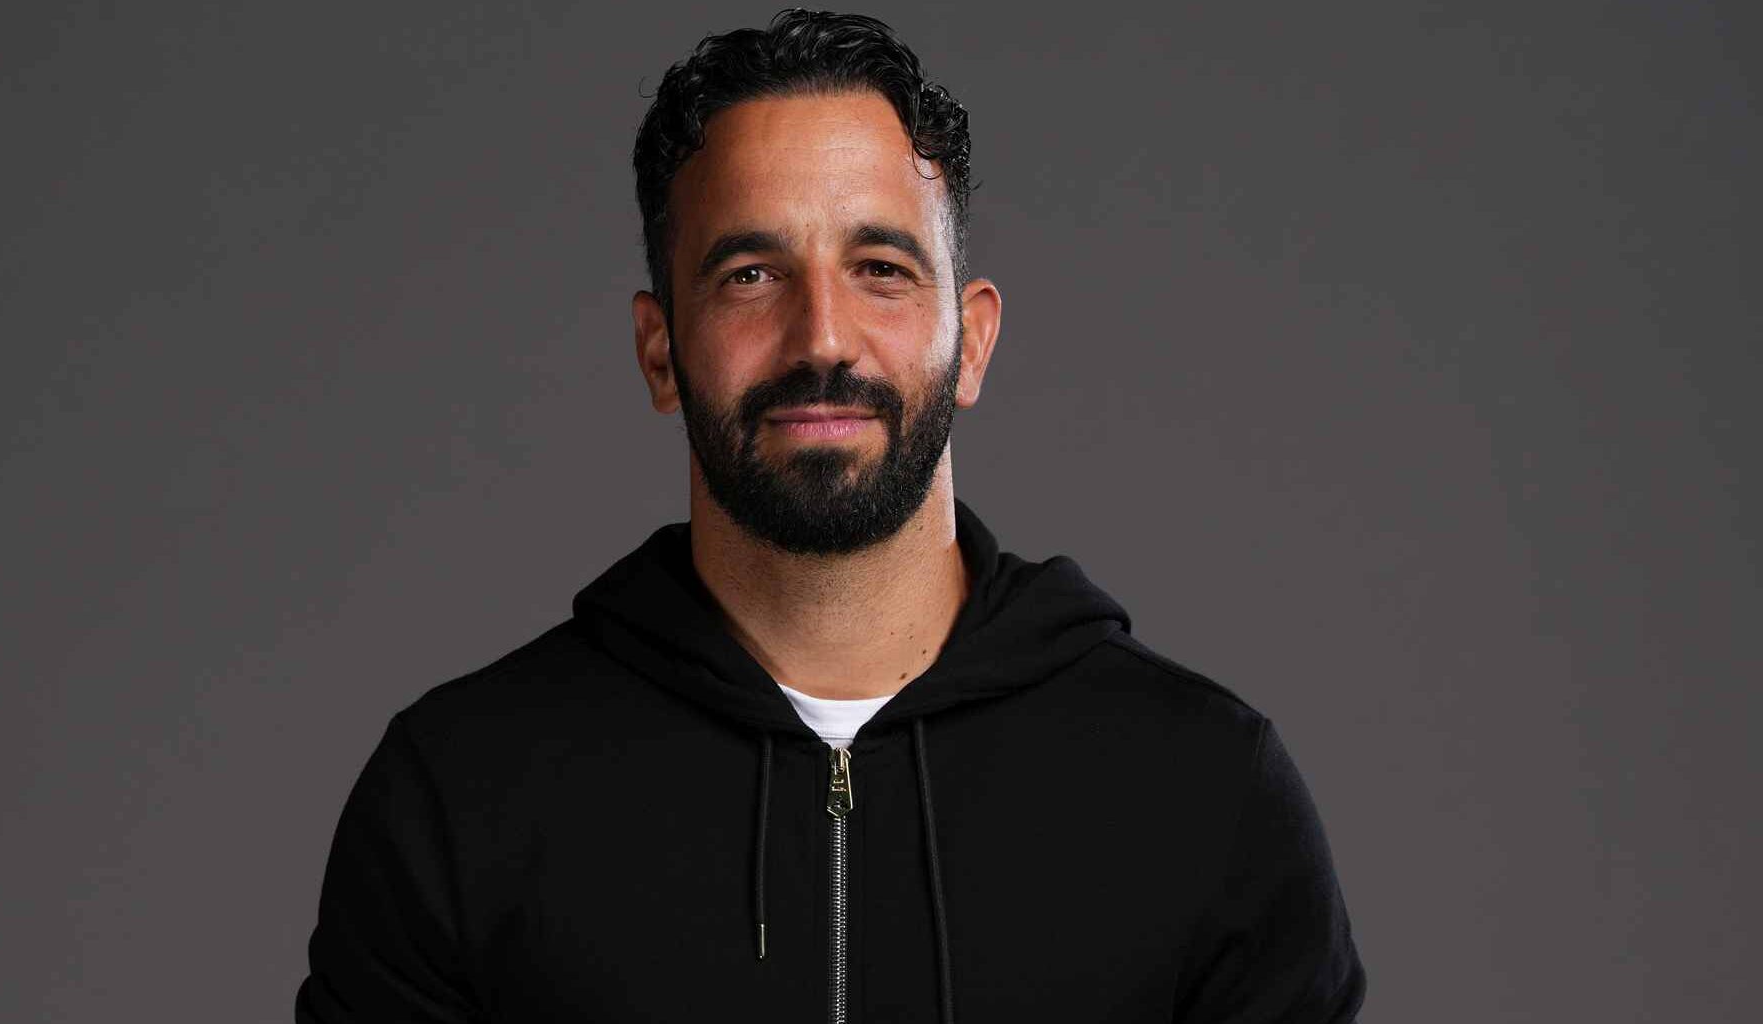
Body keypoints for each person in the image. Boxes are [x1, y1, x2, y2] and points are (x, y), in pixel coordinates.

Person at [295, 9, 1366, 1022]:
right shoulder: (461, 795)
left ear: (972, 342)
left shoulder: (1205, 792)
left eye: (880, 270)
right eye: (751, 273)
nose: (821, 337)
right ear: (660, 350)